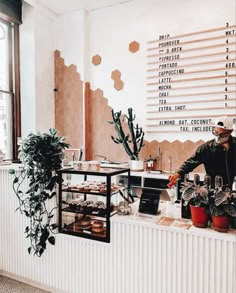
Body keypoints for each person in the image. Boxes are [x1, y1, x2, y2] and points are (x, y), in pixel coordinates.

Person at [168, 116, 236, 188]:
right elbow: (190, 163)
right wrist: (177, 174)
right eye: (216, 133)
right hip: (214, 190)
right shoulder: (206, 148)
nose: (218, 137)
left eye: (222, 134)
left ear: (230, 131)